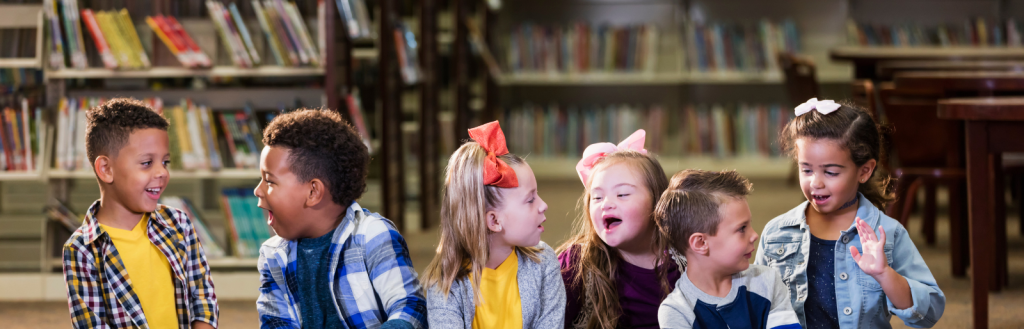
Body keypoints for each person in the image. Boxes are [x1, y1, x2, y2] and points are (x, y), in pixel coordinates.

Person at [756, 98, 945, 328]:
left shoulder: (887, 234)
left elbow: (930, 312)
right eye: (806, 169)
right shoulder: (776, 233)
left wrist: (885, 274)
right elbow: (757, 307)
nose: (815, 182)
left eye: (831, 172)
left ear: (864, 171)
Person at [254, 109, 425, 328]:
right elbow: (275, 322)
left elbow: (410, 308)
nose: (258, 191)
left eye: (269, 181)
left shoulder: (373, 236)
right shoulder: (272, 255)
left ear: (313, 192)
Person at [63, 97, 218, 329]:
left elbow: (203, 298)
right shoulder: (81, 250)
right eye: (147, 163)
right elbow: (91, 324)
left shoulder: (179, 223)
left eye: (165, 162)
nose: (162, 173)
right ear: (106, 169)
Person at [424, 120, 565, 328]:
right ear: (494, 221)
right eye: (530, 199)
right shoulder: (444, 284)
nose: (543, 205)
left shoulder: (544, 264)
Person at [557, 130, 679, 329]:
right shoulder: (577, 264)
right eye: (597, 197)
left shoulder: (687, 263)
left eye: (622, 194)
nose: (606, 204)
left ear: (658, 202)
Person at [655, 169, 800, 329]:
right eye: (742, 228)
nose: (755, 235)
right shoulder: (677, 312)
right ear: (701, 243)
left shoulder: (768, 282)